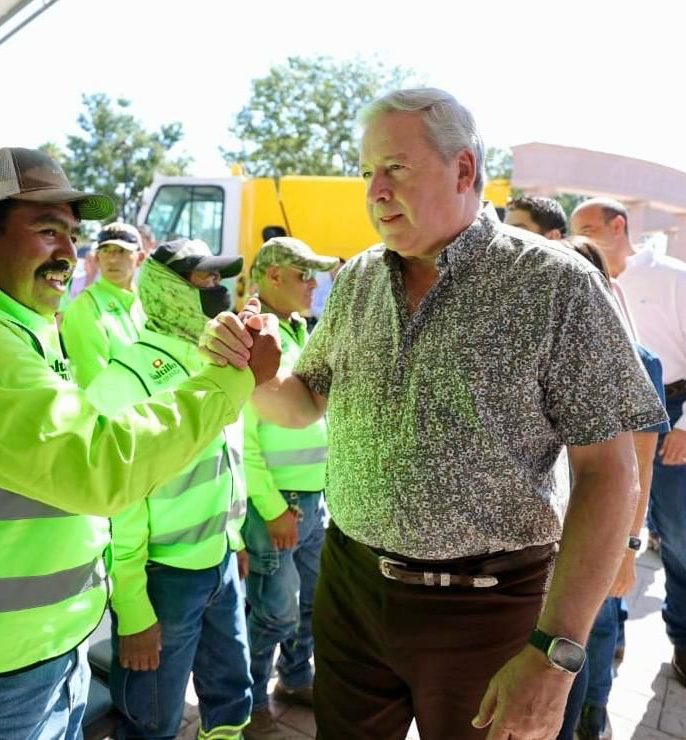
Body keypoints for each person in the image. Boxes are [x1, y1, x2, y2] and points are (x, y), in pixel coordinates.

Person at [201, 88, 667, 740]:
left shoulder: (555, 283)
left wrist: (556, 656)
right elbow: (305, 403)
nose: (375, 191)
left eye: (396, 168)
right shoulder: (359, 279)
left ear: (464, 170)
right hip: (352, 591)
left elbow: (610, 473)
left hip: (493, 609)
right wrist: (255, 378)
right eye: (368, 172)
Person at [0, 147, 280, 739]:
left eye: (72, 234)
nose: (69, 253)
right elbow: (100, 467)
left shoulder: (9, 328)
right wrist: (235, 378)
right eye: (47, 230)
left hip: (8, 668)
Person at [86, 238, 253, 740]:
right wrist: (133, 608)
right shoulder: (125, 381)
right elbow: (115, 509)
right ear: (168, 289)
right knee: (150, 717)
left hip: (219, 563)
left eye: (219, 278)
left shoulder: (217, 363)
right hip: (162, 581)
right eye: (204, 279)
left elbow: (228, 459)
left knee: (231, 696)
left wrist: (235, 538)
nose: (218, 289)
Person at [553, 236, 670, 740]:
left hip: (596, 529)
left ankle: (591, 716)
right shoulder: (541, 349)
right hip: (544, 529)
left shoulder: (638, 359)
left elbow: (638, 469)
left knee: (592, 632)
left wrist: (627, 547)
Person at [571, 197, 686, 685]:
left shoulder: (673, 275)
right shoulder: (577, 275)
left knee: (677, 535)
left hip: (674, 413)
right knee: (606, 524)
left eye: (590, 228)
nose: (581, 238)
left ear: (619, 226)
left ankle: (681, 638)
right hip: (610, 413)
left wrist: (685, 426)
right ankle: (608, 629)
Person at [241, 237, 337, 739]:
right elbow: (244, 439)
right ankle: (251, 701)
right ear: (273, 275)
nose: (313, 285)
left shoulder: (296, 331)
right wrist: (273, 507)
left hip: (312, 501)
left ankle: (294, 679)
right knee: (272, 613)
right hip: (279, 506)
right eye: (304, 275)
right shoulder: (252, 336)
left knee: (308, 605)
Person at [61, 222, 145, 387]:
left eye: (122, 251)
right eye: (106, 251)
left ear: (140, 258)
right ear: (97, 258)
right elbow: (95, 386)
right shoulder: (84, 306)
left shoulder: (144, 304)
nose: (113, 259)